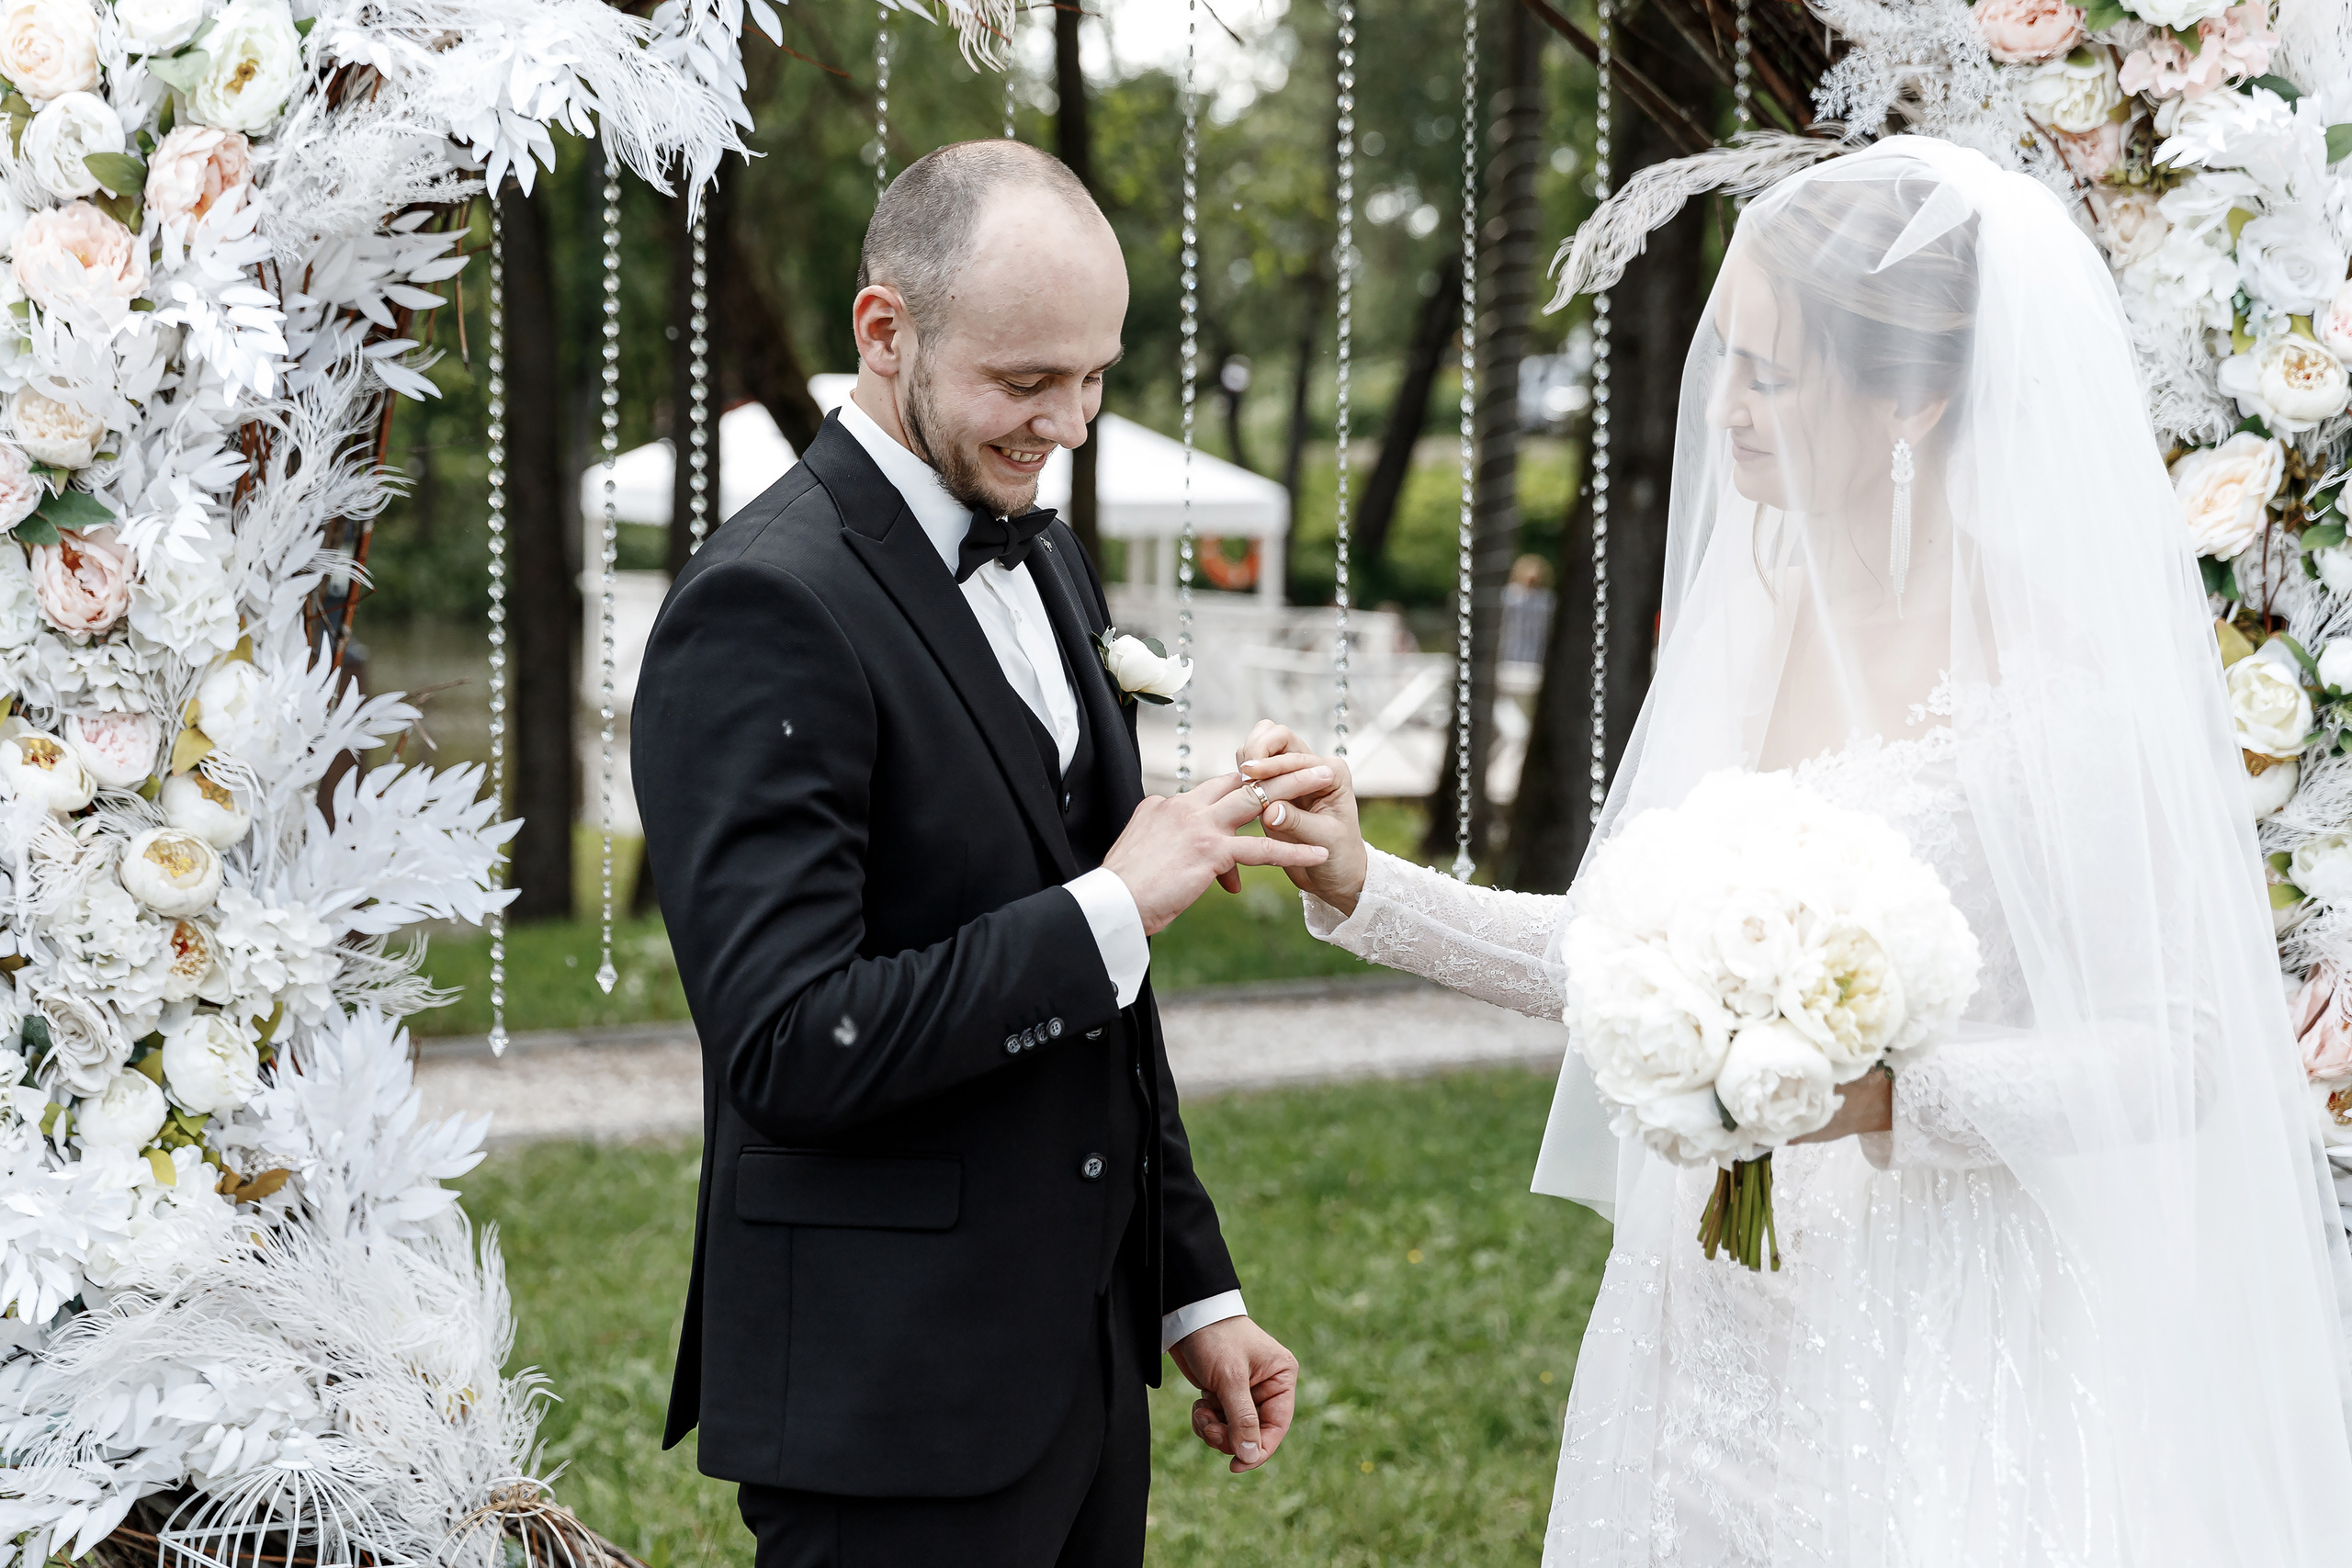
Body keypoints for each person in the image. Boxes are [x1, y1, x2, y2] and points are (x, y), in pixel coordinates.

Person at [1240, 137, 2352, 1565]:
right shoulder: (1752, 621)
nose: (1732, 409)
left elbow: (2184, 1050)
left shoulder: (2052, 687)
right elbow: (1636, 961)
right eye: (1731, 362)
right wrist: (1364, 884)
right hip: (1707, 1316)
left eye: (1773, 374)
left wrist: (1894, 1099)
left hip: (1938, 1325)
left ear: (1916, 400)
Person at [631, 140, 1324, 1568]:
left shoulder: (1046, 553)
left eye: (1095, 376)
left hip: (1076, 1380)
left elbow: (1100, 1013)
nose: (1066, 422)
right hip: (886, 1409)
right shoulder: (764, 603)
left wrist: (1193, 1295)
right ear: (886, 333)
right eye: (1024, 382)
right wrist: (1109, 908)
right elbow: (789, 1043)